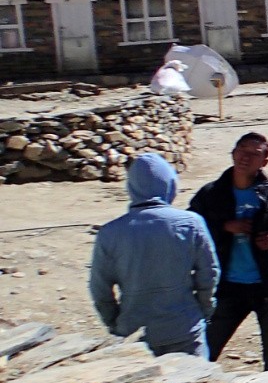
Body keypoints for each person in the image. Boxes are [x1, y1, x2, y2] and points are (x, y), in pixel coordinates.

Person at [189, 132, 268, 371]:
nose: (245, 157)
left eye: (254, 153)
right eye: (241, 150)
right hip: (226, 288)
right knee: (203, 353)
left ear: (265, 162)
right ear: (233, 153)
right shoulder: (210, 194)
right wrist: (224, 227)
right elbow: (192, 229)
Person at [88, 152, 219, 357]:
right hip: (184, 329)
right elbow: (209, 274)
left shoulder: (110, 232)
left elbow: (99, 288)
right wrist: (203, 311)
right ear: (169, 184)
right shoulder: (190, 223)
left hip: (134, 334)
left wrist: (115, 323)